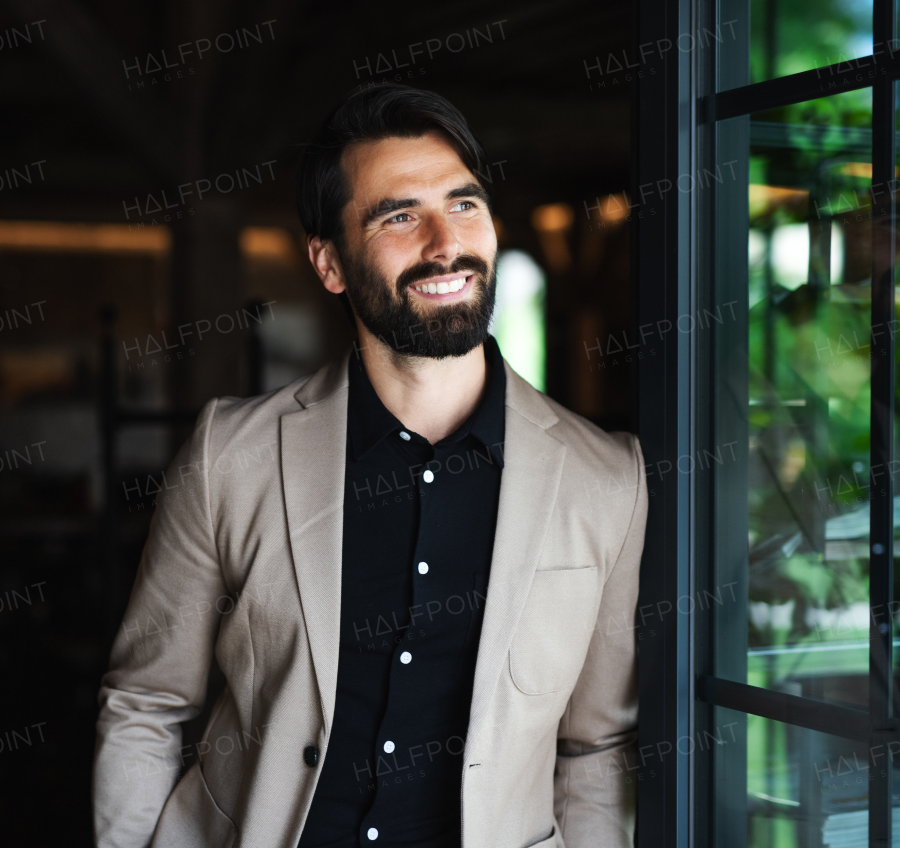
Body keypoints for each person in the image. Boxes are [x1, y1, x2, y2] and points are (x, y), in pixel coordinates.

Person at [93, 83, 647, 848]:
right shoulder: (230, 453)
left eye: (464, 204)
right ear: (329, 263)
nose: (444, 243)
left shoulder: (607, 478)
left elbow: (596, 748)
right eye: (399, 216)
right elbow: (147, 703)